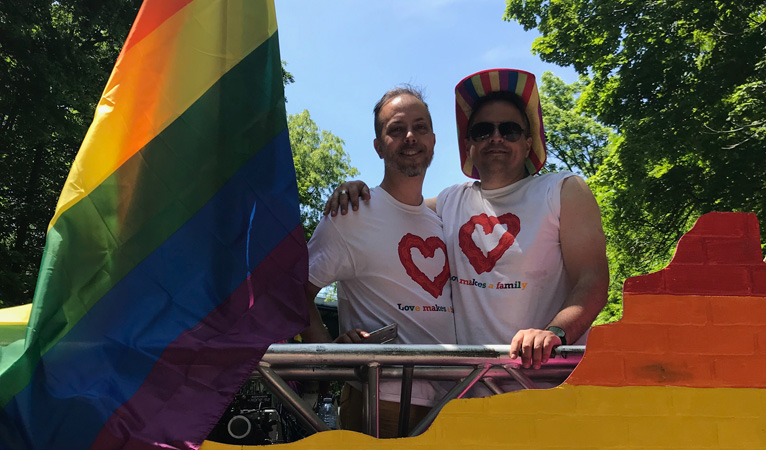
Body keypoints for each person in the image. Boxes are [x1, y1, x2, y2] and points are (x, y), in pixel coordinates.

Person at [327, 68, 608, 376]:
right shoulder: (450, 201)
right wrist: (358, 191)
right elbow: (397, 206)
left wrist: (554, 333)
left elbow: (593, 281)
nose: (496, 137)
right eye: (483, 131)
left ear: (528, 143)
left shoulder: (563, 190)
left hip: (549, 384)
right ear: (469, 145)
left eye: (510, 130)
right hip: (470, 390)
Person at [299, 86, 456, 437]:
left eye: (420, 127)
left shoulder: (444, 220)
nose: (410, 136)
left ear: (433, 140)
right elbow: (295, 289)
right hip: (380, 399)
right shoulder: (351, 214)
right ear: (378, 146)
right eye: (396, 129)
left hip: (457, 400)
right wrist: (329, 355)